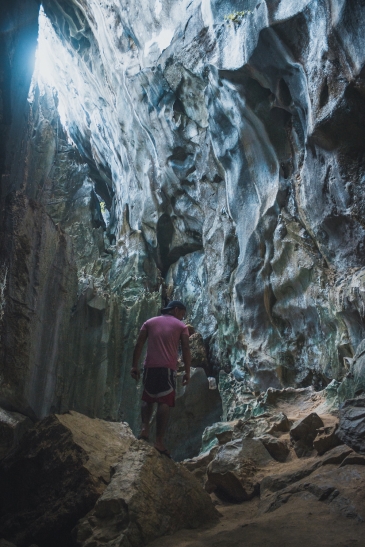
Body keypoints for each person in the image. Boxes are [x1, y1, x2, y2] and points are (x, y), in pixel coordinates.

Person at [130, 300, 191, 458]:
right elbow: (185, 348)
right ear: (176, 310)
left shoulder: (149, 322)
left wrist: (134, 365)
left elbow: (139, 344)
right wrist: (188, 371)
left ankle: (144, 429)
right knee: (164, 402)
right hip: (167, 368)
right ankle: (159, 441)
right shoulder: (180, 327)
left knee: (148, 398)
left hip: (150, 367)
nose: (182, 318)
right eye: (182, 314)